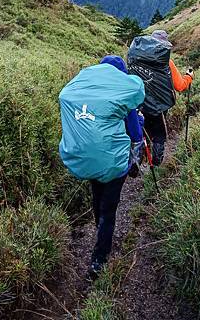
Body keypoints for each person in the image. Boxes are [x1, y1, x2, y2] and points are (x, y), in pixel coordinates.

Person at [58, 55, 144, 279]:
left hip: (88, 161)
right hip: (114, 164)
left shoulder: (83, 96)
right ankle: (99, 259)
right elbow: (135, 135)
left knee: (97, 197)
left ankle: (99, 229)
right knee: (109, 209)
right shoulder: (121, 101)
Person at [127, 29, 193, 166]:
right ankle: (156, 164)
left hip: (138, 104)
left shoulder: (136, 59)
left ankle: (135, 164)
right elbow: (180, 86)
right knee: (159, 134)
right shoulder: (167, 62)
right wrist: (189, 77)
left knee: (140, 132)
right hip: (159, 107)